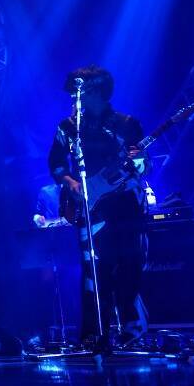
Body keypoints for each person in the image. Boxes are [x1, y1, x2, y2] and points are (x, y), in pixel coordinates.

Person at [47, 65, 148, 348]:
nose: (72, 99)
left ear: (96, 92)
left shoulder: (126, 124)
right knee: (93, 268)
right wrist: (70, 182)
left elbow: (144, 166)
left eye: (78, 93)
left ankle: (131, 329)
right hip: (89, 206)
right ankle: (94, 333)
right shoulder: (67, 127)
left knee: (129, 263)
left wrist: (139, 160)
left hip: (125, 203)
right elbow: (56, 162)